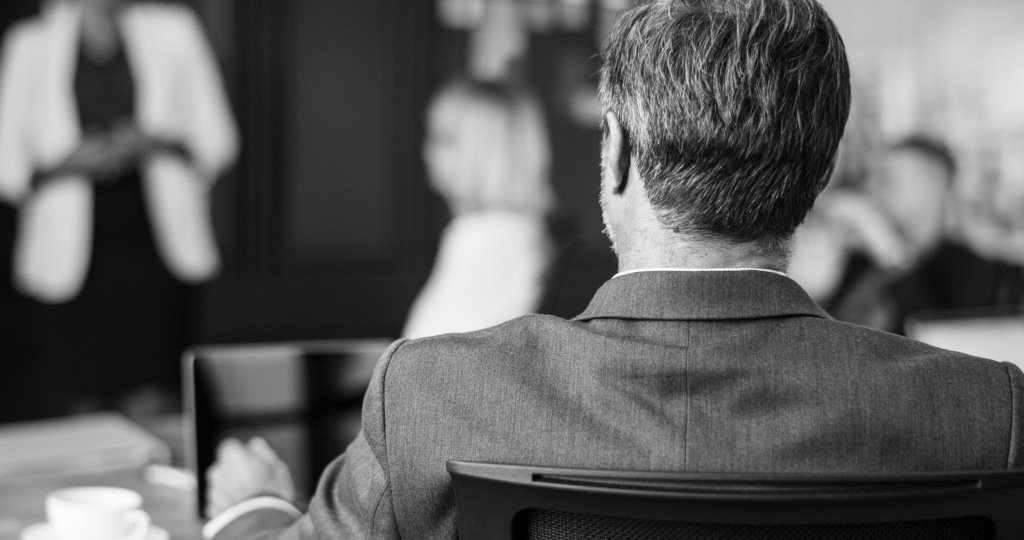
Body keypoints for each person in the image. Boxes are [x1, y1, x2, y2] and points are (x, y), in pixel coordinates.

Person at [203, 1, 1024, 538]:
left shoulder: (431, 395)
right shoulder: (988, 414)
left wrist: (253, 509)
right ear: (818, 170)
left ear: (619, 153)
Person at [0, 0, 237, 416]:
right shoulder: (31, 42)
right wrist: (71, 161)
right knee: (79, 404)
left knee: (155, 397)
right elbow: (7, 164)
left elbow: (218, 140)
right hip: (70, 256)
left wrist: (150, 142)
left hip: (155, 245)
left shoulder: (174, 30)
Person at [402, 80, 555, 339]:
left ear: (482, 151)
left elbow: (416, 354)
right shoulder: (521, 232)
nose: (427, 151)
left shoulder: (482, 236)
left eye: (444, 139)